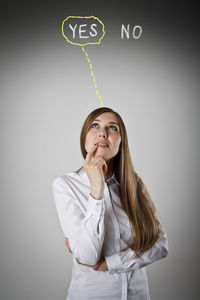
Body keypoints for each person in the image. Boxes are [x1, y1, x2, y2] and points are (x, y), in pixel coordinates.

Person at [52, 107, 169, 300]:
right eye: (95, 125)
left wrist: (114, 263)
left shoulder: (134, 184)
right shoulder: (65, 185)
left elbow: (161, 245)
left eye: (112, 128)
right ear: (85, 138)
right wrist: (96, 192)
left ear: (121, 143)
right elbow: (88, 257)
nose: (103, 133)